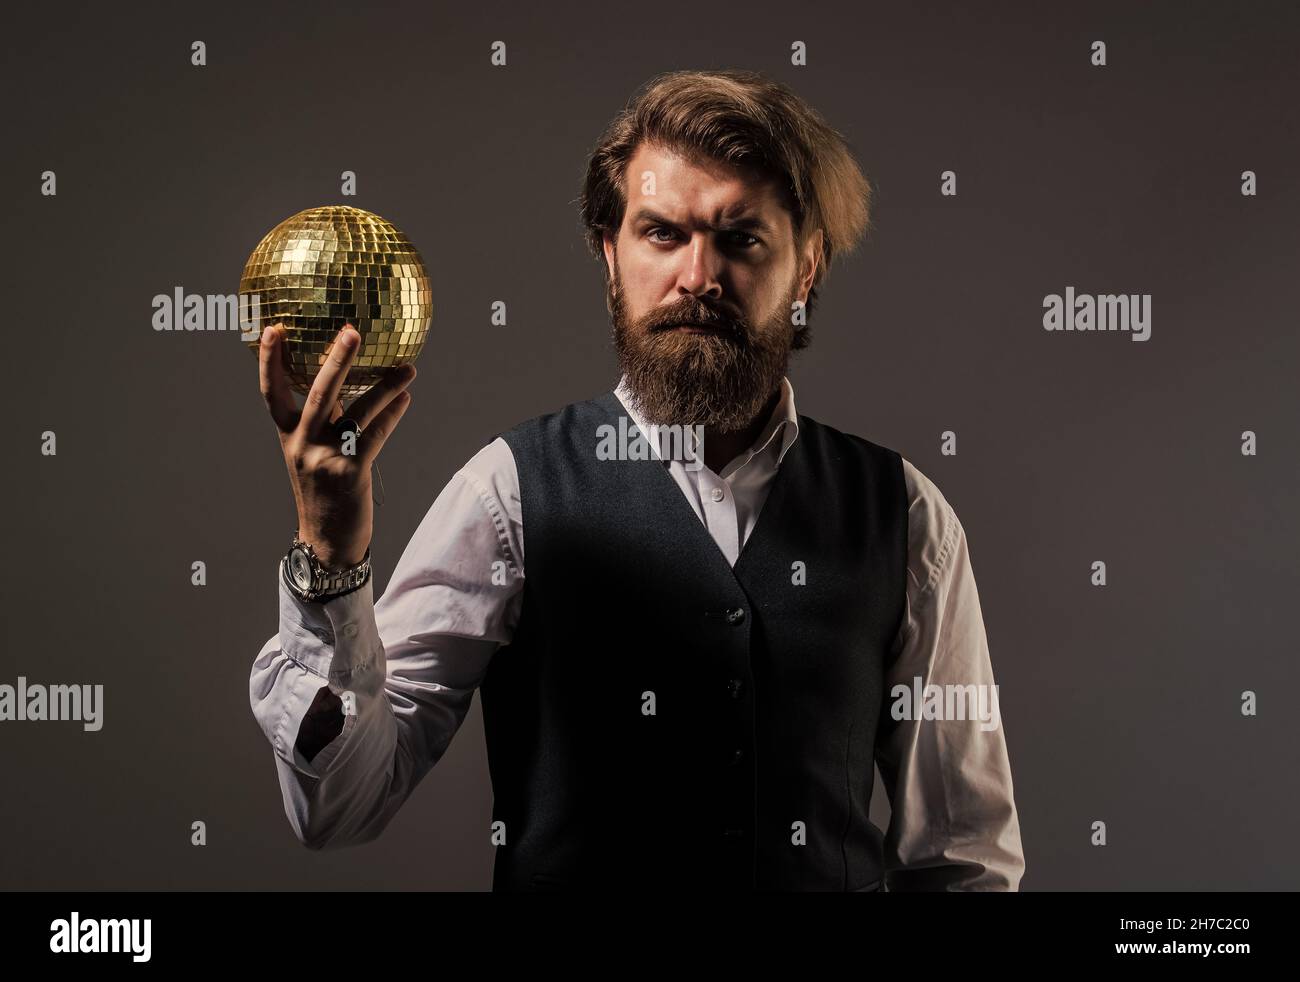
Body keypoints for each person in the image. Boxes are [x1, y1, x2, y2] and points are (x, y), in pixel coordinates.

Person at [249, 68, 1025, 892]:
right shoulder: (509, 492)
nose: (699, 278)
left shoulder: (904, 516)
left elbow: (962, 859)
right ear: (609, 255)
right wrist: (329, 556)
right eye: (662, 234)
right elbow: (341, 806)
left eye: (741, 239)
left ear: (806, 270)